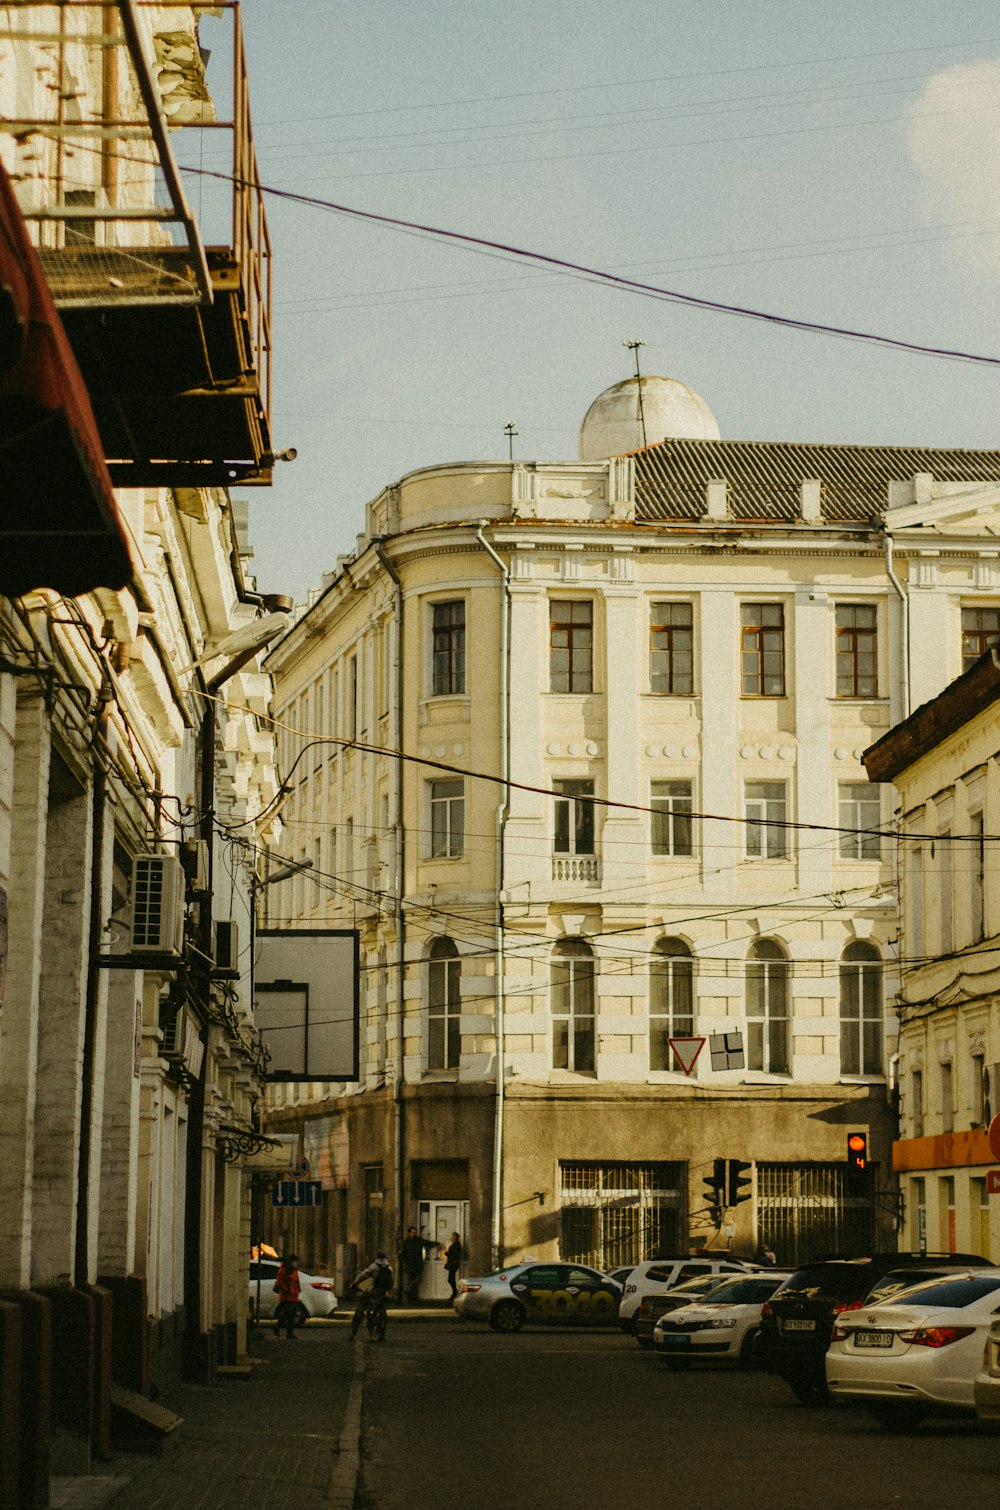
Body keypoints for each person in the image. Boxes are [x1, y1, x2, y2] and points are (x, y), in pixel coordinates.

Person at [350, 1251, 394, 1337]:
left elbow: (363, 1276)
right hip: (385, 1292)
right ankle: (382, 1332)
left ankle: (354, 1331)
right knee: (382, 1309)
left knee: (362, 1302)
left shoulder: (374, 1267)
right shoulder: (390, 1268)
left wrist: (354, 1284)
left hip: (375, 1290)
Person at [401, 1225, 438, 1304]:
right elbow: (403, 1253)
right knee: (411, 1280)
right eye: (413, 1232)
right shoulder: (406, 1242)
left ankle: (409, 1292)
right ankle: (411, 1297)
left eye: (415, 1232)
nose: (414, 1234)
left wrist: (436, 1243)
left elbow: (427, 1243)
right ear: (409, 1233)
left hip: (418, 1263)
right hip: (410, 1264)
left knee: (418, 1279)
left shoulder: (418, 1240)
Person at [273, 1253, 302, 1339]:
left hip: (294, 1295)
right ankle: (277, 1327)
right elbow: (280, 1282)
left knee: (292, 1315)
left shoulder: (294, 1270)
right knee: (286, 1314)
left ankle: (289, 1333)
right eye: (295, 1262)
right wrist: (287, 1290)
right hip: (286, 1296)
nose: (296, 1263)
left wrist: (297, 1290)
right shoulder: (284, 1270)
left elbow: (296, 1281)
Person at [442, 1230, 464, 1299]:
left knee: (451, 1279)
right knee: (451, 1279)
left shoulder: (456, 1245)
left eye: (452, 1236)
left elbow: (453, 1254)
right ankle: (454, 1293)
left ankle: (455, 1293)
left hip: (453, 1264)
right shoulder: (456, 1245)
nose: (451, 1238)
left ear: (455, 1237)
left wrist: (447, 1253)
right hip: (453, 1263)